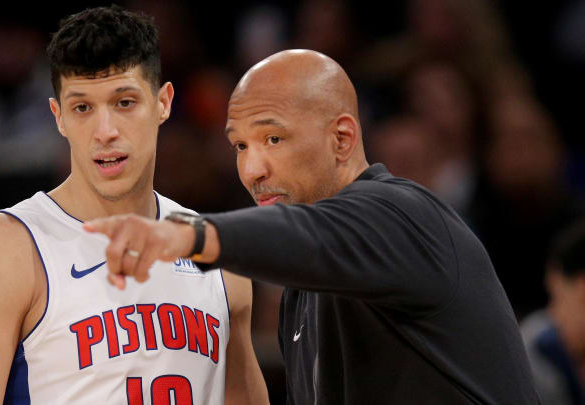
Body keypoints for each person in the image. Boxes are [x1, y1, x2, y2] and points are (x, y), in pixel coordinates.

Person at [84, 50, 541, 404]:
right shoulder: (301, 290)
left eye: (273, 138)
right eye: (240, 145)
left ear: (341, 138)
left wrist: (187, 233)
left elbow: (310, 233)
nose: (252, 169)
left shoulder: (403, 214)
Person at [0, 6, 269, 404]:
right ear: (58, 117)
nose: (104, 132)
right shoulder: (3, 249)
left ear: (163, 102)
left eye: (124, 102)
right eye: (82, 108)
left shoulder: (215, 253)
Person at [520, 221, 585, 405]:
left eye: (557, 297)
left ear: (582, 289)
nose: (554, 314)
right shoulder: (544, 348)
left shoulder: (540, 346)